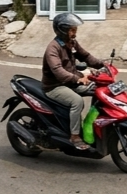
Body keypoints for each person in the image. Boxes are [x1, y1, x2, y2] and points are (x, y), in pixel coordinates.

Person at [43, 12, 104, 151]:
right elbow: (59, 72)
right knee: (77, 101)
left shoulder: (72, 43)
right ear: (63, 30)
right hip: (55, 86)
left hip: (70, 82)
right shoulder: (53, 48)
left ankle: (93, 126)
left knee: (98, 90)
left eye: (75, 29)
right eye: (72, 29)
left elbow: (86, 56)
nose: (74, 32)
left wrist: (102, 64)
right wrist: (79, 79)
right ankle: (75, 135)